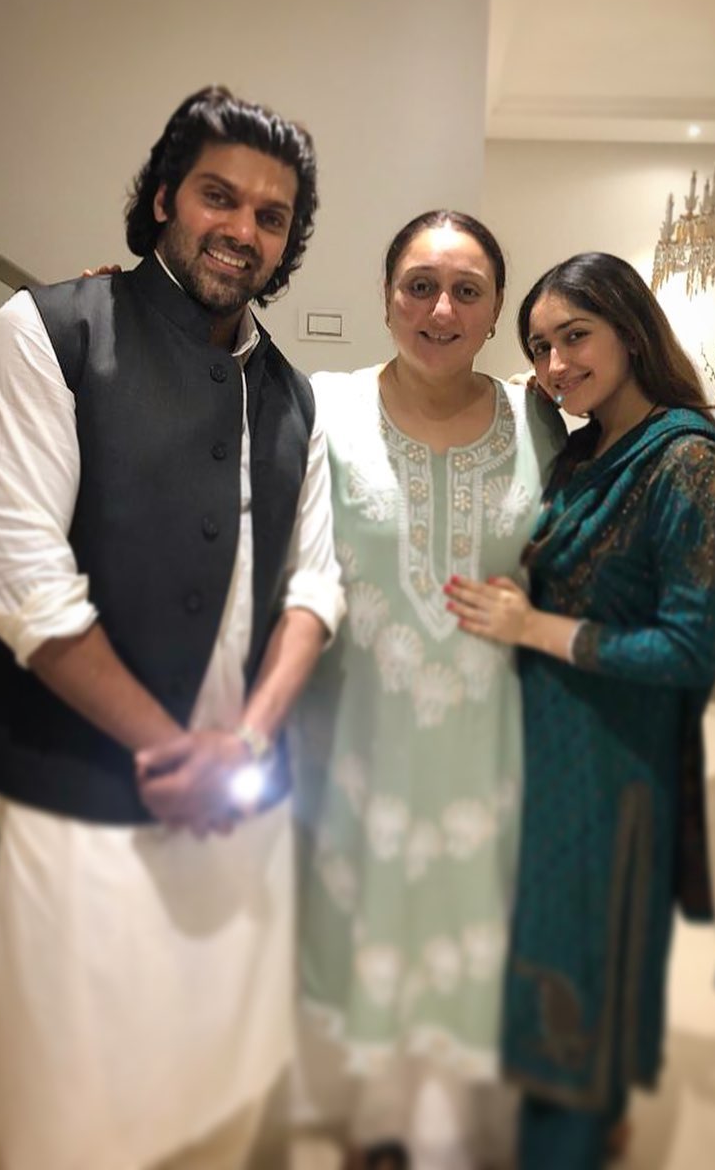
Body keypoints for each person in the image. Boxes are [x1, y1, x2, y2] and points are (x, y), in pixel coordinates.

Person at [0, 85, 344, 1170]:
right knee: (73, 1110)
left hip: (239, 815)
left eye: (271, 215)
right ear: (166, 196)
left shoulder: (296, 398)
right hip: (87, 810)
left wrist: (245, 745)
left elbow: (314, 589)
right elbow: (29, 590)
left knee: (218, 1096)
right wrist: (178, 755)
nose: (243, 229)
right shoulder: (49, 334)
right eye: (220, 196)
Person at [446, 252, 715, 1168]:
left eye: (575, 337)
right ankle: (586, 1114)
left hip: (615, 760)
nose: (554, 365)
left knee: (578, 959)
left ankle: (566, 1142)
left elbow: (690, 649)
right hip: (548, 743)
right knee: (555, 951)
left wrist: (534, 627)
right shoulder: (587, 446)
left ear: (630, 328)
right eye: (539, 346)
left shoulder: (687, 463)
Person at [290, 212, 566, 1168]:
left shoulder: (540, 418)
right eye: (419, 285)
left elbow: (587, 551)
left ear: (496, 312)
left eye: (466, 291)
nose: (440, 310)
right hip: (357, 736)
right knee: (369, 921)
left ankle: (471, 1122)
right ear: (385, 297)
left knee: (475, 927)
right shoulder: (321, 405)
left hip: (493, 741)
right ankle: (378, 1120)